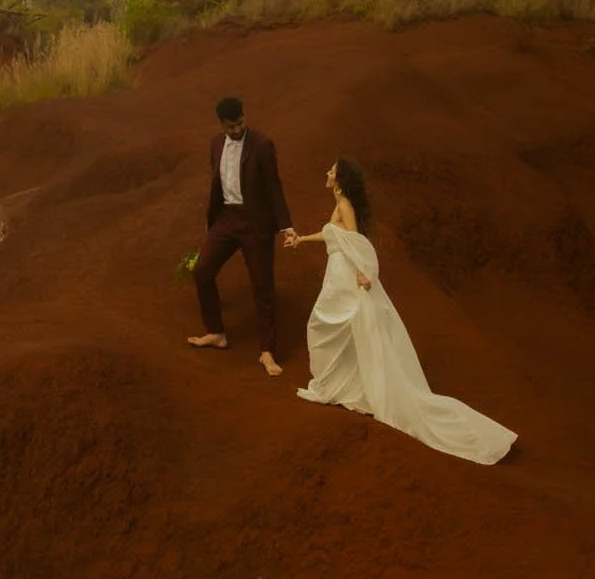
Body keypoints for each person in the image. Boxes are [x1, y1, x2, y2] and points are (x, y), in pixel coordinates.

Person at [285, 156, 517, 464]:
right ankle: (347, 385)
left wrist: (364, 271)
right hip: (337, 273)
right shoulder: (340, 204)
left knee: (328, 324)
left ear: (339, 179)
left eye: (331, 170)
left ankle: (345, 385)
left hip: (344, 276)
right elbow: (333, 235)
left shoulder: (345, 206)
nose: (326, 173)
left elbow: (357, 241)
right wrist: (301, 239)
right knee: (339, 327)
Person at [187, 96, 298, 377]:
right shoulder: (215, 145)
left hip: (254, 224)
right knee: (202, 270)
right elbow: (217, 183)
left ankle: (267, 352)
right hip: (225, 220)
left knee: (262, 288)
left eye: (240, 124)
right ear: (221, 125)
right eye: (230, 127)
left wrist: (286, 226)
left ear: (244, 117)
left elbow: (274, 186)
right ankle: (216, 333)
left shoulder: (261, 145)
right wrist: (211, 222)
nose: (236, 130)